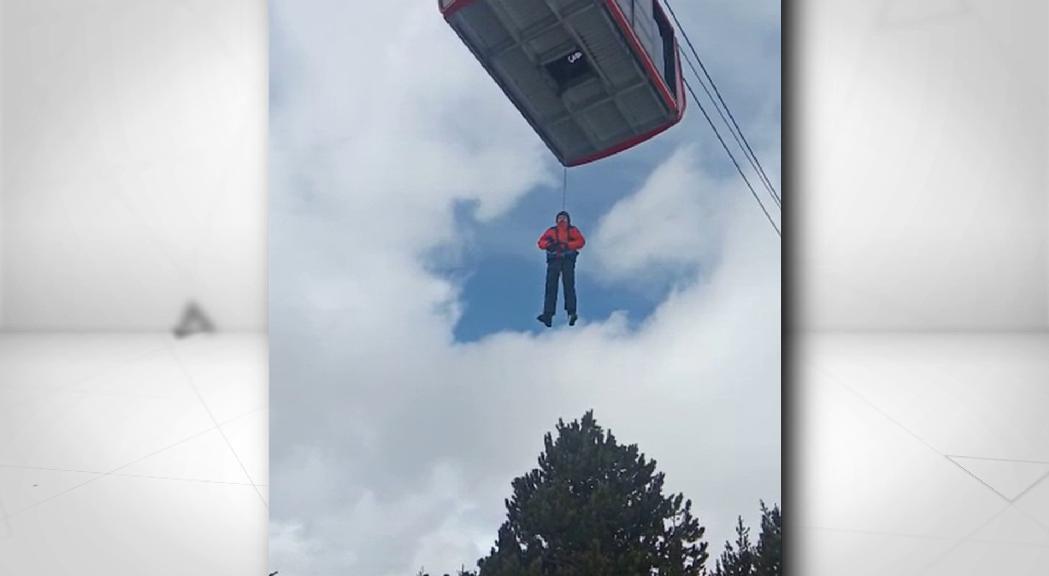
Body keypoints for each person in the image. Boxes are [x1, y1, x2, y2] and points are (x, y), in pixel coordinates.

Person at [537, 210, 585, 327]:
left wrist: (567, 246)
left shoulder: (572, 230)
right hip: (554, 260)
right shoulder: (551, 231)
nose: (562, 220)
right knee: (551, 287)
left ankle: (571, 312)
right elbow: (541, 243)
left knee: (568, 285)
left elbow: (581, 241)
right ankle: (548, 315)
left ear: (568, 219)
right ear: (556, 219)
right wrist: (550, 245)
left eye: (564, 217)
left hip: (567, 260)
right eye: (560, 217)